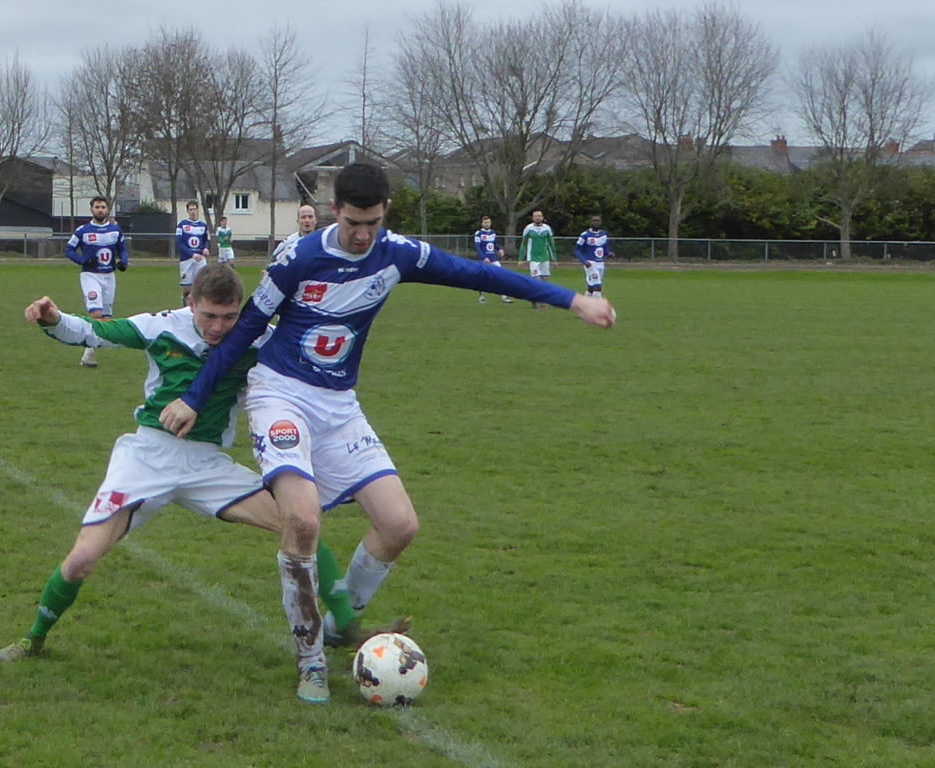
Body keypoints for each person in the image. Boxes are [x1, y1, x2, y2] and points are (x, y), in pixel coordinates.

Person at [158, 163, 616, 703]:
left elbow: (478, 275)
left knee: (399, 525)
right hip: (280, 393)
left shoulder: (397, 254)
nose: (362, 233)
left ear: (385, 213)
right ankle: (310, 662)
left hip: (339, 406)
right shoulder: (298, 259)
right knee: (302, 520)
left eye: (372, 222)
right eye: (354, 222)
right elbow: (245, 334)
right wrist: (195, 396)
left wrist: (571, 299)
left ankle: (336, 625)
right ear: (335, 212)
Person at [0, 265, 393, 665]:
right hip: (147, 456)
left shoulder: (261, 340)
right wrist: (54, 319)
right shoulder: (162, 327)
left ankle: (346, 625)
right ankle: (33, 639)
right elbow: (97, 331)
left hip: (207, 464)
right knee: (82, 559)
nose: (219, 327)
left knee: (298, 520)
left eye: (229, 317)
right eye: (209, 316)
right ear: (191, 303)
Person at [64, 195, 128, 368]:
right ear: (91, 209)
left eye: (103, 207)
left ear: (107, 210)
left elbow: (123, 250)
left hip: (109, 276)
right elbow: (69, 250)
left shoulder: (115, 230)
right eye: (97, 207)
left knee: (106, 319)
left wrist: (123, 262)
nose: (100, 210)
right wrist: (83, 261)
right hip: (90, 276)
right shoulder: (83, 231)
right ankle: (89, 352)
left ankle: (89, 353)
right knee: (96, 314)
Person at [518, 208, 557, 308]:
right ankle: (537, 300)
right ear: (533, 218)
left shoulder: (547, 228)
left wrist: (554, 259)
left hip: (545, 257)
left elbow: (551, 244)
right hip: (533, 258)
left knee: (545, 279)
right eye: (536, 216)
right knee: (536, 279)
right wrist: (521, 259)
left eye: (539, 216)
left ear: (542, 217)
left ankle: (540, 299)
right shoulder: (528, 228)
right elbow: (523, 244)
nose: (537, 218)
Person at [175, 200, 210, 306]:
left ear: (198, 210)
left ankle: (198, 308)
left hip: (200, 259)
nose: (193, 211)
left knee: (202, 284)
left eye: (194, 209)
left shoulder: (203, 225)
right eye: (190, 209)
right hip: (187, 259)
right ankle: (184, 304)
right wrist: (191, 254)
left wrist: (206, 248)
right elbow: (179, 243)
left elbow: (206, 241)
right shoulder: (182, 225)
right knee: (187, 289)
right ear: (187, 211)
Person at [473, 215, 512, 304]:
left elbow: (495, 244)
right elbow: (478, 247)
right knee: (484, 278)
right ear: (482, 223)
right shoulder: (479, 233)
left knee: (502, 275)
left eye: (488, 222)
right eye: (485, 223)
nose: (487, 224)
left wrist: (500, 249)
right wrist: (483, 257)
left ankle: (504, 296)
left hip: (493, 259)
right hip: (484, 259)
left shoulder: (493, 233)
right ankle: (482, 296)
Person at [268, 204, 318, 269]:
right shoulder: (287, 242)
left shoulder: (323, 242)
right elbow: (271, 265)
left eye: (310, 217)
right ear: (298, 221)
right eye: (303, 217)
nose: (307, 220)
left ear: (315, 220)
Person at [574, 214, 612, 298]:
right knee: (598, 285)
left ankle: (584, 303)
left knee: (591, 287)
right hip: (590, 263)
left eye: (598, 221)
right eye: (594, 221)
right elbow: (577, 250)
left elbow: (605, 249)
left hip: (600, 263)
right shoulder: (585, 235)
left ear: (601, 222)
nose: (596, 223)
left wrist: (609, 253)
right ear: (590, 222)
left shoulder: (604, 234)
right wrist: (584, 261)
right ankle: (597, 307)